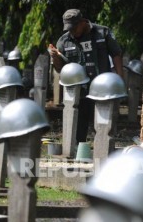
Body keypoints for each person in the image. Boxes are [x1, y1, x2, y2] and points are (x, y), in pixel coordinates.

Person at [49, 8, 123, 143]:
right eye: (69, 29)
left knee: (103, 126)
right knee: (79, 127)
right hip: (80, 91)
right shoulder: (64, 41)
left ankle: (102, 152)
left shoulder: (102, 32)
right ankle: (79, 152)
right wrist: (55, 58)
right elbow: (60, 69)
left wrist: (120, 80)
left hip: (102, 90)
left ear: (83, 22)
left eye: (74, 28)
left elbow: (116, 54)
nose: (72, 32)